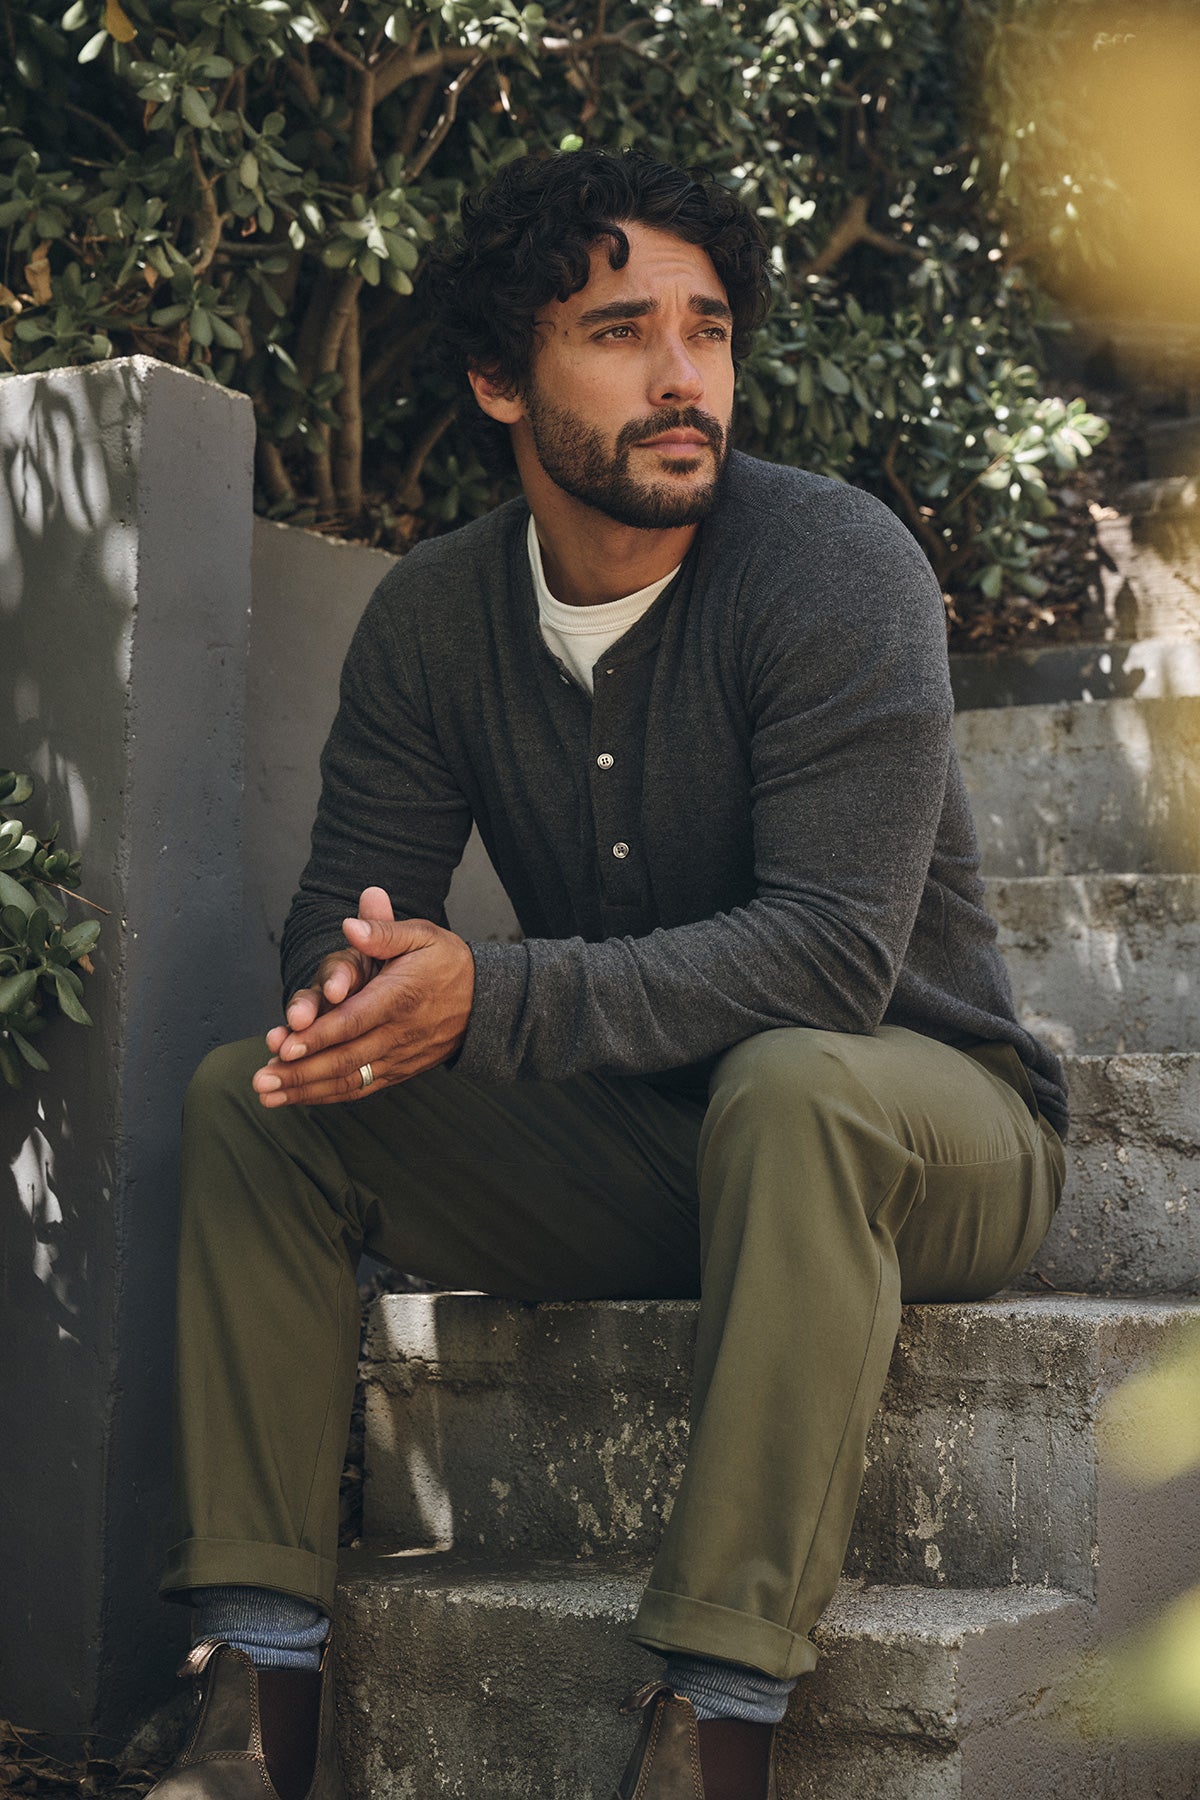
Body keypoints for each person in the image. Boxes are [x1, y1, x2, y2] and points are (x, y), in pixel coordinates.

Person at [148, 148, 1068, 1800]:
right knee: (257, 1100)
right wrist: (356, 996)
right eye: (622, 330)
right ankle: (252, 1707)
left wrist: (488, 998)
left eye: (709, 332)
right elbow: (335, 933)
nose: (683, 378)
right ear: (506, 378)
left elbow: (836, 960)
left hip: (925, 1127)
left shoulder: (832, 564)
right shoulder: (437, 616)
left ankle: (708, 1719)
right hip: (664, 1146)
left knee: (793, 1087)